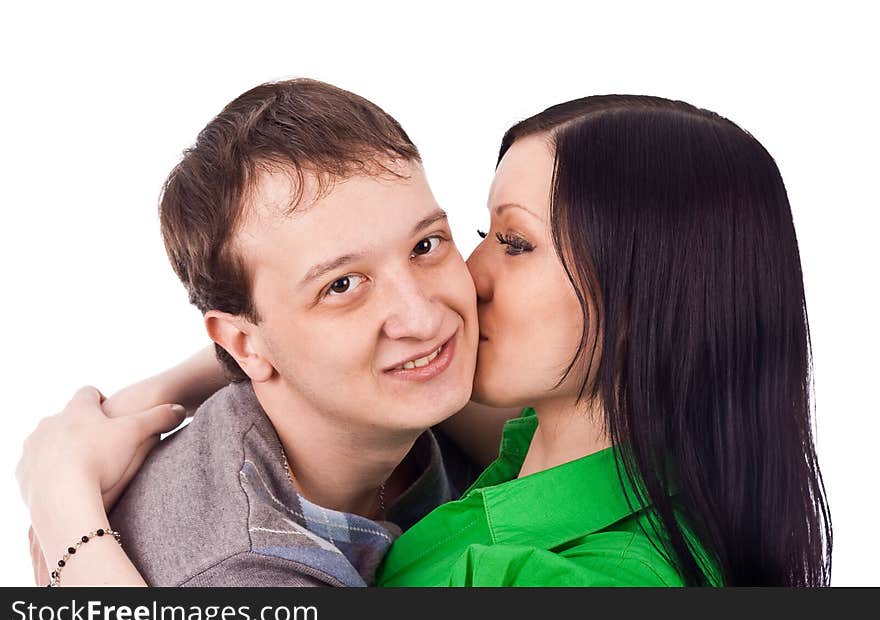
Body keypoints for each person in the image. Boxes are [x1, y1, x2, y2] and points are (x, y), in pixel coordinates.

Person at [18, 94, 832, 586]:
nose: (455, 288)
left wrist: (69, 523)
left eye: (509, 243)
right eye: (480, 232)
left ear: (643, 306)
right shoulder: (577, 447)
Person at [16, 78, 491, 587]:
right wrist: (69, 526)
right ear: (243, 343)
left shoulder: (400, 389)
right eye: (343, 285)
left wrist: (166, 390)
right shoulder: (242, 573)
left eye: (425, 245)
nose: (423, 319)